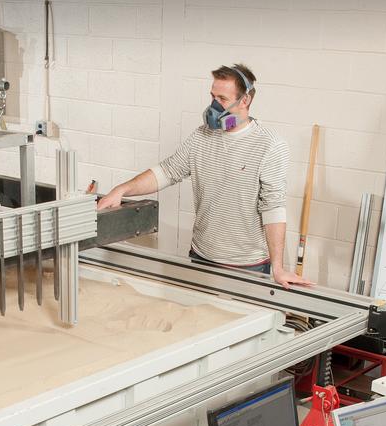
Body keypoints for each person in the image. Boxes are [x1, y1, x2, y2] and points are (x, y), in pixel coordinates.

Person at [97, 63, 312, 290]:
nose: (214, 105)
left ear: (245, 100)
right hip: (201, 256)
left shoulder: (270, 145)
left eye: (222, 99)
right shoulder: (201, 136)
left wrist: (278, 268)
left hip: (246, 265)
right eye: (212, 96)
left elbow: (273, 208)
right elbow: (168, 171)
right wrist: (121, 190)